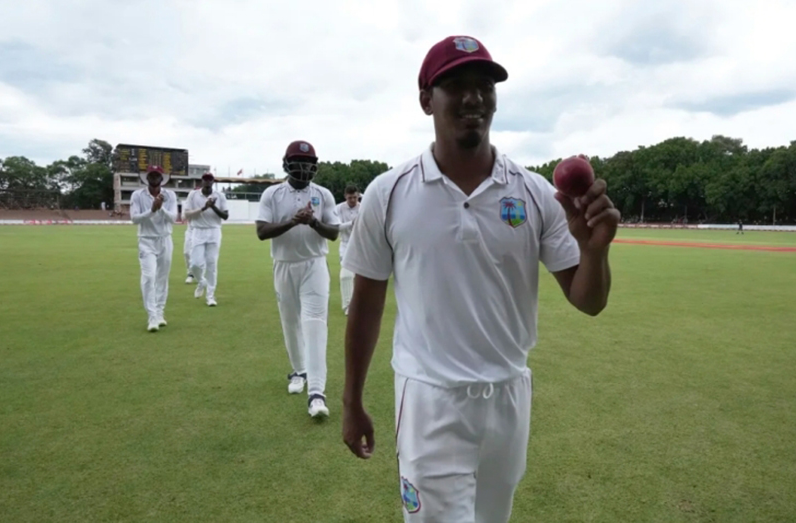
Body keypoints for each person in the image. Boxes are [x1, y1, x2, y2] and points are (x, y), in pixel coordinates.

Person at [340, 35, 621, 522]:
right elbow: (366, 305)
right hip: (430, 399)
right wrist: (352, 401)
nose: (474, 98)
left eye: (484, 86)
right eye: (456, 86)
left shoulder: (534, 193)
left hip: (509, 397)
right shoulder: (389, 193)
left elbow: (588, 300)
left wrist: (595, 251)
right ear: (427, 99)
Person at [256, 140, 340, 418]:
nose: (304, 169)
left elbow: (333, 233)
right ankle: (299, 371)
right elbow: (262, 231)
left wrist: (313, 222)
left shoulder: (323, 194)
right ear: (287, 164)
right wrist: (294, 221)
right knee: (290, 323)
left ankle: (316, 393)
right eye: (299, 163)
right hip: (284, 265)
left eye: (308, 164)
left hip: (314, 265)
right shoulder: (272, 193)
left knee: (314, 324)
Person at [129, 165, 178, 332]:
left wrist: (161, 207)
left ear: (161, 178)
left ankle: (159, 313)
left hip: (165, 239)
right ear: (147, 178)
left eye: (158, 175)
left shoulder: (170, 195)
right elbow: (134, 219)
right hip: (146, 241)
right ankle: (152, 316)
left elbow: (173, 218)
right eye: (152, 175)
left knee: (162, 278)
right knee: (149, 277)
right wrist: (151, 210)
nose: (155, 178)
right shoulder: (138, 195)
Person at [184, 173, 229, 306]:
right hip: (198, 230)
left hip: (214, 231)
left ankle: (210, 296)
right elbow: (187, 214)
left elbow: (225, 216)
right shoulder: (193, 195)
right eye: (205, 180)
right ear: (202, 181)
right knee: (195, 264)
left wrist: (213, 206)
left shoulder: (220, 196)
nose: (208, 182)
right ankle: (201, 281)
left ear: (213, 182)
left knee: (212, 264)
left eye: (210, 180)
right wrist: (204, 207)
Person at [335, 184, 360, 315]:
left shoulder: (364, 208)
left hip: (361, 245)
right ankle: (348, 306)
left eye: (355, 197)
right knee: (346, 275)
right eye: (350, 198)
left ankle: (361, 304)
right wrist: (352, 223)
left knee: (362, 276)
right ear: (345, 196)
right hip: (345, 244)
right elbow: (336, 227)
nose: (352, 200)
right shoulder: (338, 208)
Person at [182, 186, 200, 284]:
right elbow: (184, 216)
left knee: (199, 255)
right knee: (186, 252)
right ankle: (190, 273)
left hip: (200, 231)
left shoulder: (203, 204)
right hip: (190, 230)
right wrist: (195, 212)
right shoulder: (187, 204)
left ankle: (195, 274)